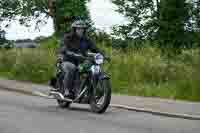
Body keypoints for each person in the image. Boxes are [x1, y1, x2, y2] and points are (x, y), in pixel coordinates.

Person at [56, 20, 104, 99]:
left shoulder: (87, 40)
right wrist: (70, 53)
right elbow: (63, 48)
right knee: (72, 68)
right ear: (74, 29)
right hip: (68, 60)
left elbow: (95, 48)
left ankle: (86, 89)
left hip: (80, 61)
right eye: (78, 28)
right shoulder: (68, 37)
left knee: (89, 68)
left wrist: (103, 55)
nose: (80, 30)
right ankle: (66, 90)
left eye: (82, 29)